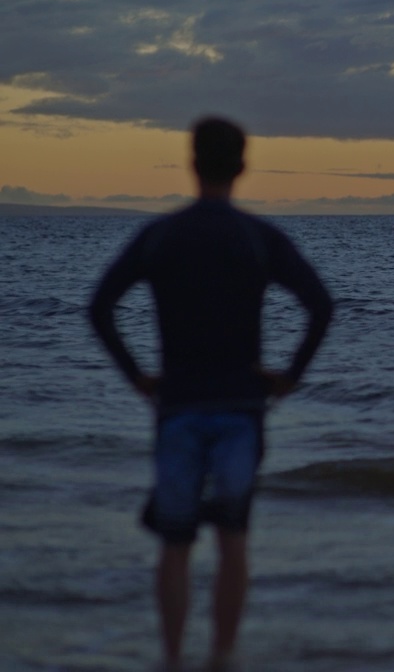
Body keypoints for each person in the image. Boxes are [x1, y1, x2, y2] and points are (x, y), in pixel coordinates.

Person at [88, 116, 333, 671]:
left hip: (177, 405)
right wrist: (290, 376)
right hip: (242, 409)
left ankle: (173, 660)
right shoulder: (257, 237)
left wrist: (136, 375)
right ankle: (223, 656)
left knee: (175, 545)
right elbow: (321, 305)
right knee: (233, 538)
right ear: (242, 166)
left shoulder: (161, 235)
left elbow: (100, 307)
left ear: (192, 163)